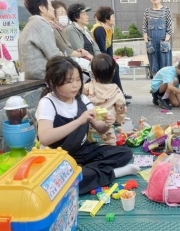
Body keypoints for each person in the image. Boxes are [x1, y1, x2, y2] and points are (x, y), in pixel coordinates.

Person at [35, 56, 140, 194]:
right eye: (69, 81)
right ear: (52, 81)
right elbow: (45, 138)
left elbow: (100, 128)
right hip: (58, 157)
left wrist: (108, 123)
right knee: (59, 185)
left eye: (78, 79)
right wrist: (79, 121)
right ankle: (113, 173)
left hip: (82, 151)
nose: (75, 85)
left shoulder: (82, 99)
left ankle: (84, 171)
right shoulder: (48, 103)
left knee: (124, 153)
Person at [65, 3, 131, 104]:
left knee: (112, 65)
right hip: (83, 61)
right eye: (84, 14)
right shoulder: (71, 29)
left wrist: (99, 58)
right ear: (76, 17)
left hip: (93, 59)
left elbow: (95, 46)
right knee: (111, 66)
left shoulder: (86, 30)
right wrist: (96, 59)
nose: (87, 16)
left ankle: (115, 94)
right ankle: (115, 95)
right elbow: (80, 49)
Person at [83, 53, 126, 145]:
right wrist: (120, 120)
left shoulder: (86, 87)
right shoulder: (116, 90)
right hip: (106, 124)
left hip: (88, 122)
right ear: (113, 72)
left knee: (85, 134)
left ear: (93, 73)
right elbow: (121, 108)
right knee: (111, 142)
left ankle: (89, 137)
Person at [18, 0, 60, 80]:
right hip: (42, 74)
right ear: (42, 8)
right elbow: (54, 56)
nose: (53, 9)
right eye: (51, 5)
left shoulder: (31, 24)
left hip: (31, 75)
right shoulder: (40, 24)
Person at [91, 6, 131, 101]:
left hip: (103, 56)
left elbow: (109, 49)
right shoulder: (99, 29)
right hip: (97, 58)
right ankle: (118, 94)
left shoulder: (109, 29)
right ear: (106, 19)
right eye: (112, 16)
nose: (114, 19)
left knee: (115, 65)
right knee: (114, 67)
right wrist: (108, 62)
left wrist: (111, 60)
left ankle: (119, 93)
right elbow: (101, 49)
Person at [50, 0, 93, 72]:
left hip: (76, 61)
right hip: (66, 66)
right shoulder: (57, 29)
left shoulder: (61, 29)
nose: (64, 16)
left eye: (65, 13)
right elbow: (66, 51)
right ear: (53, 15)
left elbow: (95, 47)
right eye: (61, 13)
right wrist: (87, 55)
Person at [142, 0, 173, 78]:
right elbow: (144, 27)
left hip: (163, 41)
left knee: (165, 65)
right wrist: (146, 42)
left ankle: (166, 86)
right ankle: (156, 87)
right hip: (151, 42)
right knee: (154, 65)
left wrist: (166, 41)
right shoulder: (147, 11)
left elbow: (170, 27)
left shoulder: (166, 10)